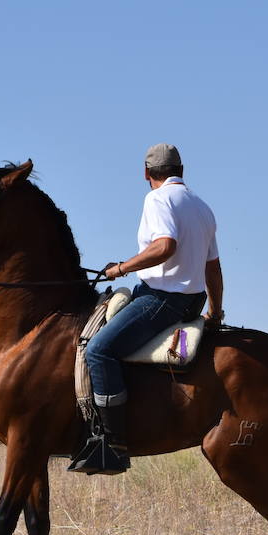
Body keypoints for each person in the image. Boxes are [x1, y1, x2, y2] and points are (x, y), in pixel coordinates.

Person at [70, 143, 224, 475]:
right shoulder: (201, 207)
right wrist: (216, 311)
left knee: (98, 351)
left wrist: (122, 268)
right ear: (182, 170)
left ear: (146, 174)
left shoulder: (156, 199)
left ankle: (113, 444)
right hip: (190, 299)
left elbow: (164, 246)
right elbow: (213, 267)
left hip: (163, 299)